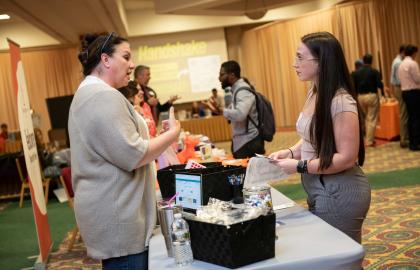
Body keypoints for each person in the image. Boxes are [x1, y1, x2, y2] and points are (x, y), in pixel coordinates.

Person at [69, 32, 181, 269]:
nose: (132, 65)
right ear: (105, 60)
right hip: (119, 217)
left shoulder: (93, 93)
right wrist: (171, 135)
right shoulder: (102, 96)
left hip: (115, 210)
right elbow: (135, 154)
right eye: (126, 57)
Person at [269, 32, 371, 244]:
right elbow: (311, 136)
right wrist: (290, 152)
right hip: (319, 185)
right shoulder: (314, 92)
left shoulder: (341, 102)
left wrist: (298, 165)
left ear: (321, 61)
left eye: (299, 57)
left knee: (340, 259)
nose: (294, 63)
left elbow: (346, 158)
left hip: (339, 190)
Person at [219, 60, 264, 158]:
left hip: (249, 142)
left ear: (232, 75)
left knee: (250, 173)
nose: (219, 78)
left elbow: (240, 114)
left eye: (222, 75)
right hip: (244, 142)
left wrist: (222, 111)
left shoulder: (242, 90)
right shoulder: (236, 89)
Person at [352, 53, 385, 147]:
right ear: (372, 60)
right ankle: (369, 141)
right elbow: (379, 84)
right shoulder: (374, 71)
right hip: (371, 96)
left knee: (366, 117)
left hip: (360, 97)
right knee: (371, 118)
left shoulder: (356, 72)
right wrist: (383, 93)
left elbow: (353, 85)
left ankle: (368, 138)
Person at [398, 44, 420, 151]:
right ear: (414, 53)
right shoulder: (413, 63)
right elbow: (417, 79)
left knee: (411, 118)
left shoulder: (401, 64)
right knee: (416, 118)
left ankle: (412, 142)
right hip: (413, 92)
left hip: (405, 92)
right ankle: (416, 143)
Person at [390, 45, 409, 148]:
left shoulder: (396, 61)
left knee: (403, 113)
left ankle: (404, 137)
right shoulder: (399, 63)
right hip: (400, 87)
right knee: (404, 113)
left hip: (397, 87)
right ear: (403, 52)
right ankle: (404, 139)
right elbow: (400, 79)